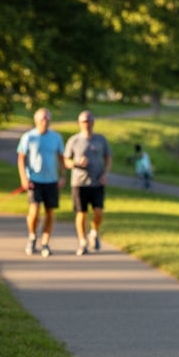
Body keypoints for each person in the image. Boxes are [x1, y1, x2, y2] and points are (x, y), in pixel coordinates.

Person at [16, 108, 66, 257]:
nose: (45, 121)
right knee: (34, 211)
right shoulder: (28, 137)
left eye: (47, 118)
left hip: (51, 180)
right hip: (34, 180)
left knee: (50, 212)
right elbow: (21, 158)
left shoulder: (56, 137)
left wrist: (63, 175)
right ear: (36, 120)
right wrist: (24, 178)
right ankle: (32, 236)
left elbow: (61, 158)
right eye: (43, 118)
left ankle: (45, 241)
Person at [64, 109, 112, 256]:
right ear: (80, 123)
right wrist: (76, 162)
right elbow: (66, 161)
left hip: (97, 182)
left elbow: (108, 157)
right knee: (81, 213)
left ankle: (94, 232)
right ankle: (82, 241)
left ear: (93, 122)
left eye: (89, 121)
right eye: (84, 121)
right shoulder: (74, 140)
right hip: (79, 182)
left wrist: (105, 174)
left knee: (98, 212)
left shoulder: (101, 139)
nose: (87, 124)